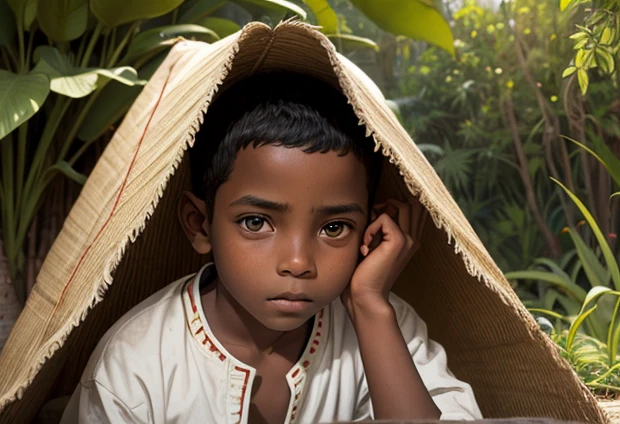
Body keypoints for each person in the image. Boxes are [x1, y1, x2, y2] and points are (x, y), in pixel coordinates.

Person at [60, 72, 483, 423]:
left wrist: (371, 307)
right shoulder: (134, 367)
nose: (298, 262)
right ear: (199, 224)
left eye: (334, 227)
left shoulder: (382, 324)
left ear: (370, 229)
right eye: (256, 222)